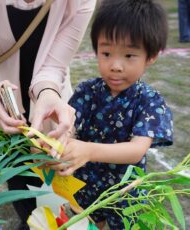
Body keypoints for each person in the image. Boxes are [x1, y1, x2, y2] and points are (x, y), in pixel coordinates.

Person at [0, 0, 96, 229]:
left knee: (53, 190)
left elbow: (53, 67)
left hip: (52, 110)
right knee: (19, 183)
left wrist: (48, 94)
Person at [50, 0, 174, 229]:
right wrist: (58, 143)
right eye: (106, 53)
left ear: (151, 56)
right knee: (86, 223)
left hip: (125, 193)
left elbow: (137, 150)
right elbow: (68, 126)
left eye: (129, 56)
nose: (115, 65)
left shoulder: (149, 101)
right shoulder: (87, 91)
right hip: (85, 184)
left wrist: (87, 150)